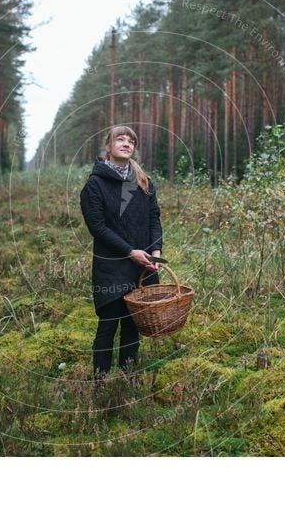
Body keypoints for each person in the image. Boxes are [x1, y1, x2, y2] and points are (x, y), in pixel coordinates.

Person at [79, 125, 163, 385]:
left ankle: (129, 380)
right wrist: (129, 252)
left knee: (133, 326)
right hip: (112, 266)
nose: (126, 143)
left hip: (143, 265)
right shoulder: (95, 184)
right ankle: (100, 385)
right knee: (108, 325)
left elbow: (154, 218)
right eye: (120, 139)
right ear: (108, 146)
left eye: (131, 141)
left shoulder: (144, 182)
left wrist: (156, 252)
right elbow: (98, 227)